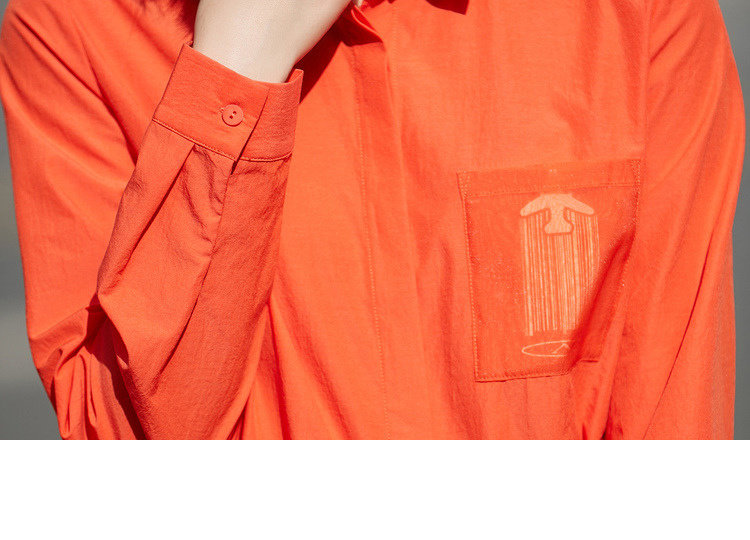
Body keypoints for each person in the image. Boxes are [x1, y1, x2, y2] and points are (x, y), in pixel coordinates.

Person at [0, 0, 744, 440]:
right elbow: (124, 464)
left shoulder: (640, 15)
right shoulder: (71, 27)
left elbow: (672, 452)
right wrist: (232, 76)